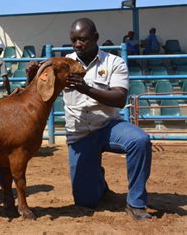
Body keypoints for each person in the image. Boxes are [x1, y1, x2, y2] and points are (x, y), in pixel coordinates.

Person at [62, 18, 152, 220]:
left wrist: (86, 88)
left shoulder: (114, 62)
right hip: (80, 135)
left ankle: (135, 203)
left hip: (108, 126)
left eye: (83, 39)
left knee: (139, 141)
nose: (78, 44)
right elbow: (42, 90)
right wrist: (31, 76)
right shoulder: (63, 64)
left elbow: (120, 99)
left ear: (96, 38)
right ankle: (100, 186)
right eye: (74, 40)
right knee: (86, 201)